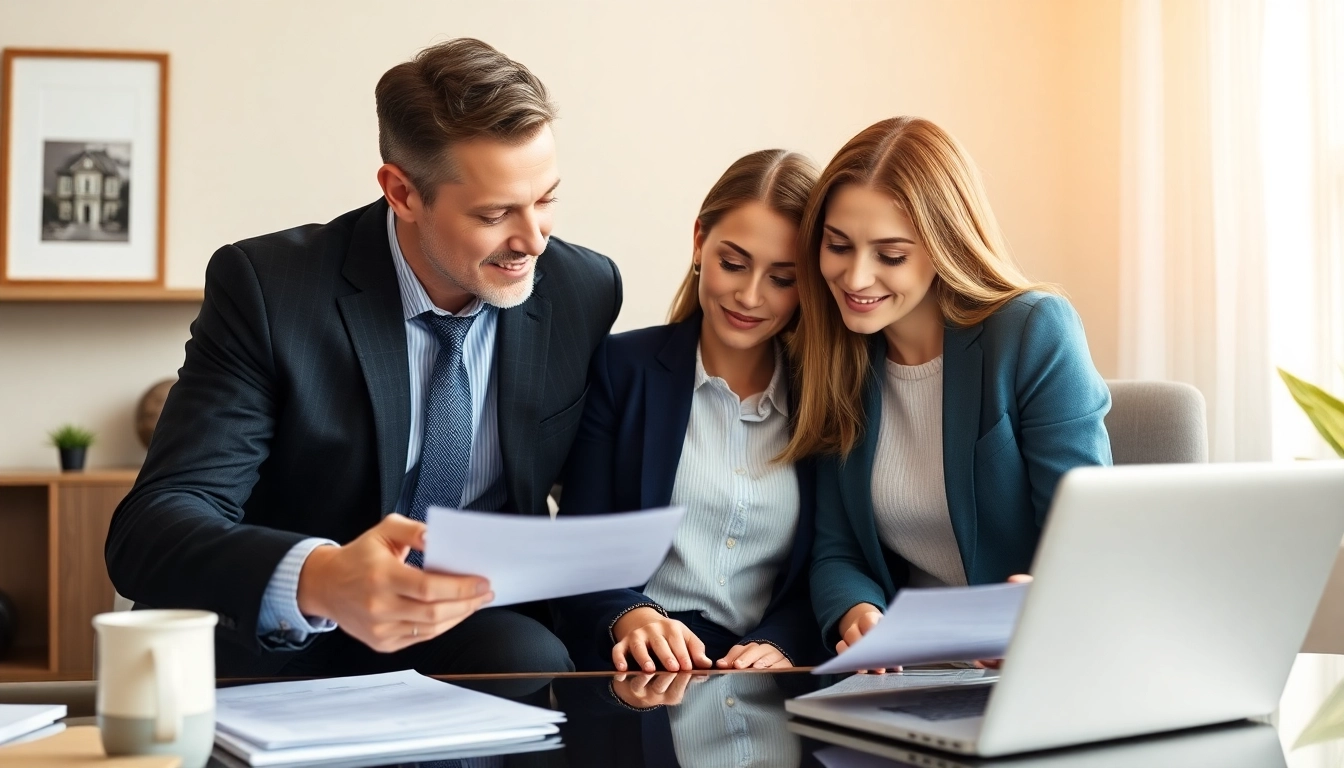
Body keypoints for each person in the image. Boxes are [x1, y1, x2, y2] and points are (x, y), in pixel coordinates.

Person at [105, 38, 622, 678]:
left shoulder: (583, 290)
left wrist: (630, 608)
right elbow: (153, 527)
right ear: (401, 192)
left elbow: (593, 492)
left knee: (530, 657)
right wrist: (319, 577)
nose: (534, 241)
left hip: (466, 627)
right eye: (495, 214)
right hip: (289, 630)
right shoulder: (270, 288)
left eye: (545, 200)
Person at [780, 116, 1112, 659]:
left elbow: (1087, 537)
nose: (856, 278)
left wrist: (1045, 600)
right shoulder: (833, 354)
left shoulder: (1032, 331)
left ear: (943, 247)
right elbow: (838, 550)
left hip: (1035, 659)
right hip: (912, 669)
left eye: (891, 256)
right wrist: (858, 612)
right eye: (838, 246)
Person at [552, 149, 826, 673]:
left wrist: (783, 642)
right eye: (733, 263)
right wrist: (632, 615)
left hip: (761, 677)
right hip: (640, 671)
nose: (749, 295)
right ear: (699, 241)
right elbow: (578, 552)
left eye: (782, 278)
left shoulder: (824, 399)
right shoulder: (621, 368)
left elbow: (829, 562)